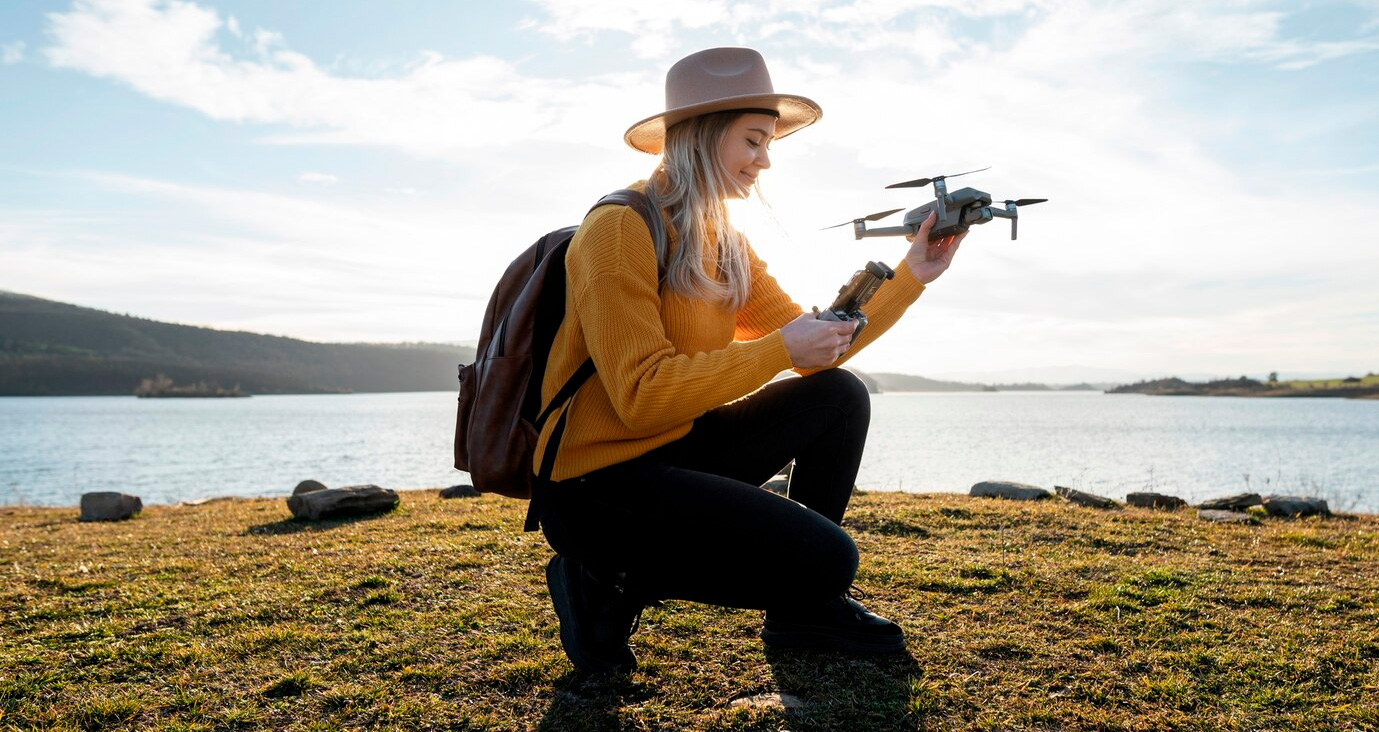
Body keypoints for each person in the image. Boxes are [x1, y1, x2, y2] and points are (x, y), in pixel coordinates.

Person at [532, 47, 966, 674]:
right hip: (598, 482)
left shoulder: (723, 239)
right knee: (827, 561)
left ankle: (802, 614)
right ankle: (602, 575)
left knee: (840, 394)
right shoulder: (620, 228)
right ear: (705, 137)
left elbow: (815, 348)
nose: (765, 161)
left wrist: (912, 274)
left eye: (768, 145)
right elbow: (638, 394)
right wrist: (776, 350)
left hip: (676, 444)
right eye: (754, 142)